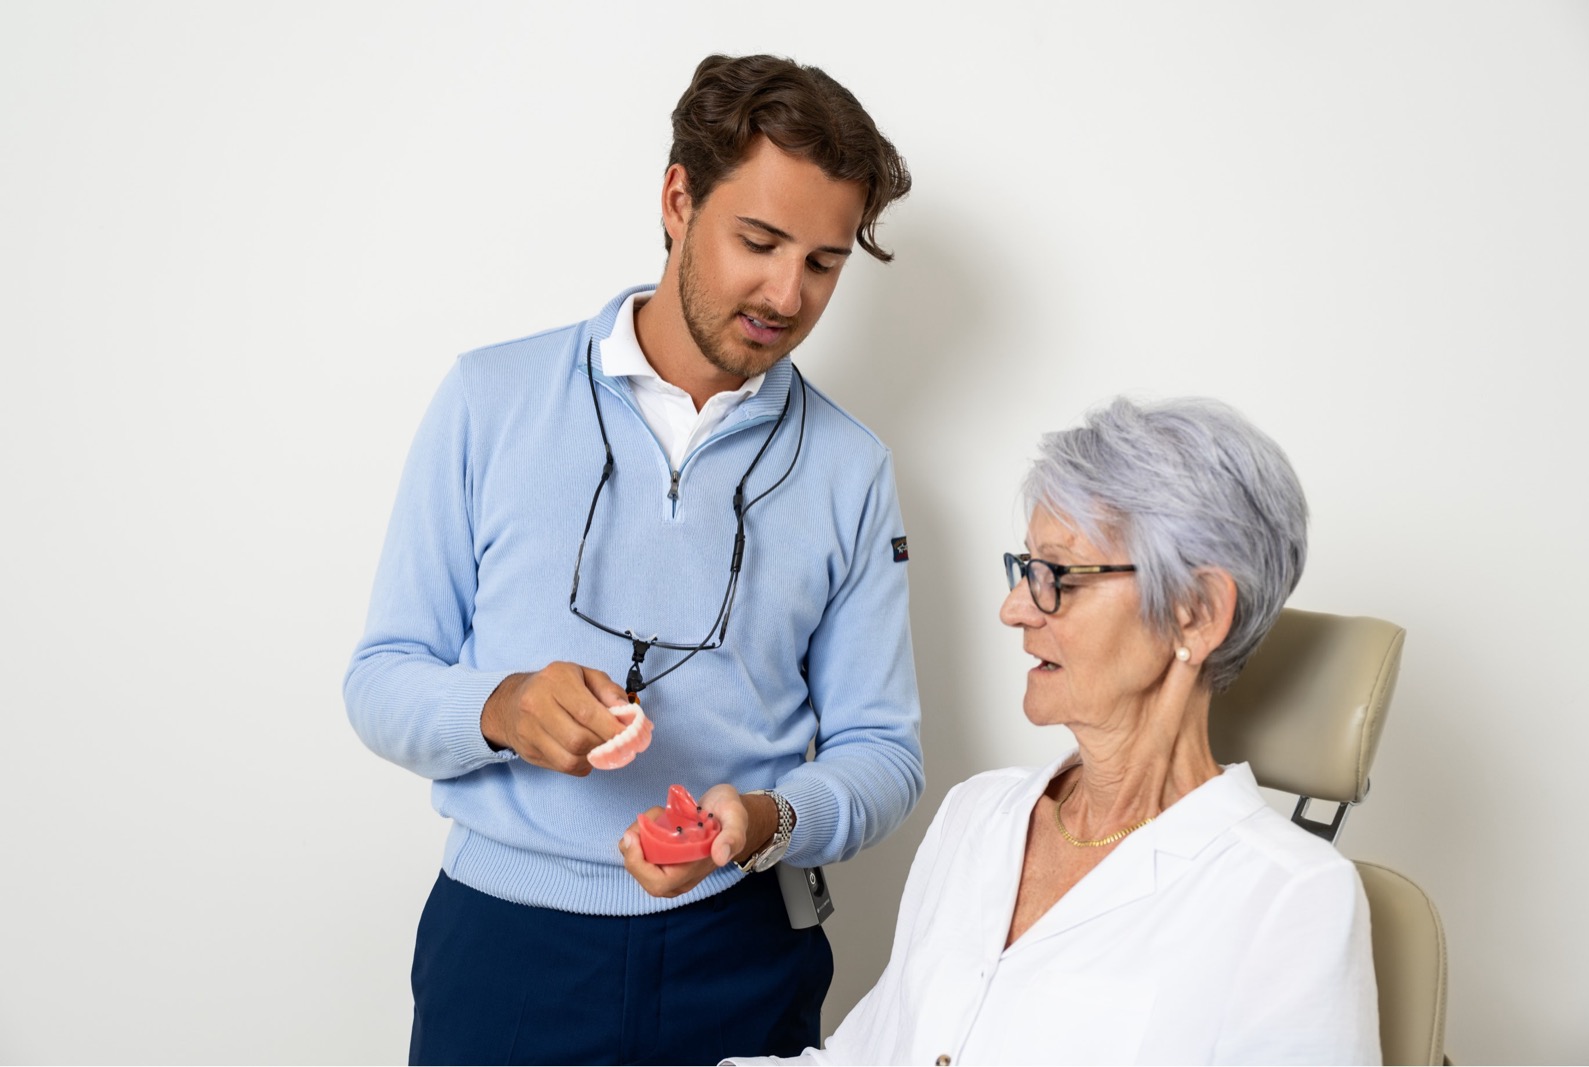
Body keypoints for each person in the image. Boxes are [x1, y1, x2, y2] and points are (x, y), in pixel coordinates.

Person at [344, 54, 923, 1065]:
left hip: (743, 949)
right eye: (759, 240)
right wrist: (502, 707)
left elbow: (885, 750)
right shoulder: (489, 398)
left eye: (824, 263)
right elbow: (381, 677)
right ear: (676, 197)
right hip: (506, 946)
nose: (787, 293)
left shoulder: (852, 467)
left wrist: (769, 817)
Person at [728, 397, 1380, 1065]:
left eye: (1059, 576)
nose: (1014, 608)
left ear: (1196, 613)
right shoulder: (978, 815)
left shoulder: (1290, 899)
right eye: (1025, 569)